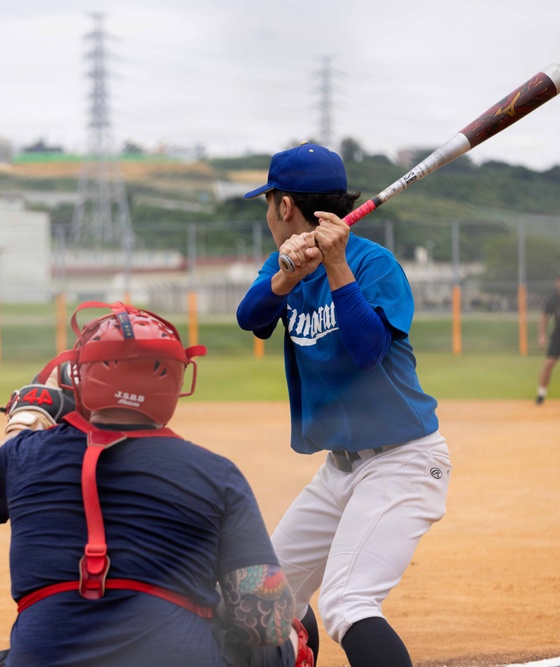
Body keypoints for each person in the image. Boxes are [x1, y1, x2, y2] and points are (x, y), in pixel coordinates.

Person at [0, 302, 312, 667]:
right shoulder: (216, 473)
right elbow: (265, 625)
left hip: (42, 657)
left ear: (84, 374)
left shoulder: (24, 455)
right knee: (289, 633)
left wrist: (25, 421)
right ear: (177, 381)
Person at [235, 143, 451, 667]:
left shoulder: (373, 264)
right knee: (256, 598)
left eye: (269, 204)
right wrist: (286, 277)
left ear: (285, 205)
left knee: (347, 603)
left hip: (401, 461)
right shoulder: (282, 262)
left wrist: (336, 266)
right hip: (339, 470)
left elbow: (368, 350)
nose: (268, 215)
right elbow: (251, 318)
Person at [535, 273, 560, 404]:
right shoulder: (553, 299)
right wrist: (542, 335)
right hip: (558, 336)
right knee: (549, 363)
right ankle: (541, 393)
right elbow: (544, 316)